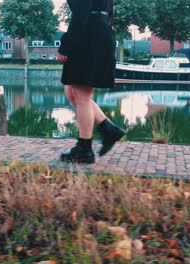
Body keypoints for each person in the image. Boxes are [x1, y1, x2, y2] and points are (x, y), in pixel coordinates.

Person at [57, 0, 125, 164]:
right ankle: (108, 129)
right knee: (72, 93)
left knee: (82, 97)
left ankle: (84, 149)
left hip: (89, 33)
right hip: (94, 31)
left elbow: (81, 13)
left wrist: (65, 45)